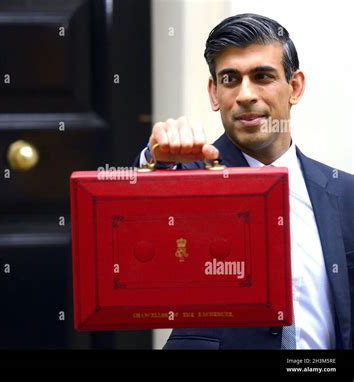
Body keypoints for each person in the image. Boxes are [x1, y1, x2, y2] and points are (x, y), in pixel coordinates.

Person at [134, 13, 353, 349]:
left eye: (262, 76)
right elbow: (133, 247)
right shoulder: (184, 178)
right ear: (214, 92)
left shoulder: (344, 193)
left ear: (294, 87)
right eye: (230, 79)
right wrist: (153, 165)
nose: (245, 94)